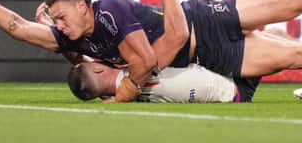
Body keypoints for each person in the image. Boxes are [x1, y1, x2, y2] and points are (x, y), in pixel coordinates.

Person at [0, 0, 190, 103]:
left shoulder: (109, 11)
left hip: (205, 22)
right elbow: (20, 28)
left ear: (81, 6)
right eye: (55, 20)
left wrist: (122, 97)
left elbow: (149, 61)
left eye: (61, 17)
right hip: (193, 56)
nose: (59, 26)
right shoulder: (70, 37)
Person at [67, 30, 302, 103]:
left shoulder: (121, 93)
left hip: (225, 86)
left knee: (275, 37)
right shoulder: (135, 68)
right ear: (96, 69)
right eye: (94, 63)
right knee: (295, 46)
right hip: (231, 85)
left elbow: (87, 74)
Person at [68, 62, 238, 103]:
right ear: (98, 69)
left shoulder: (116, 96)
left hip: (220, 91)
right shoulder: (138, 68)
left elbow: (86, 79)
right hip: (227, 87)